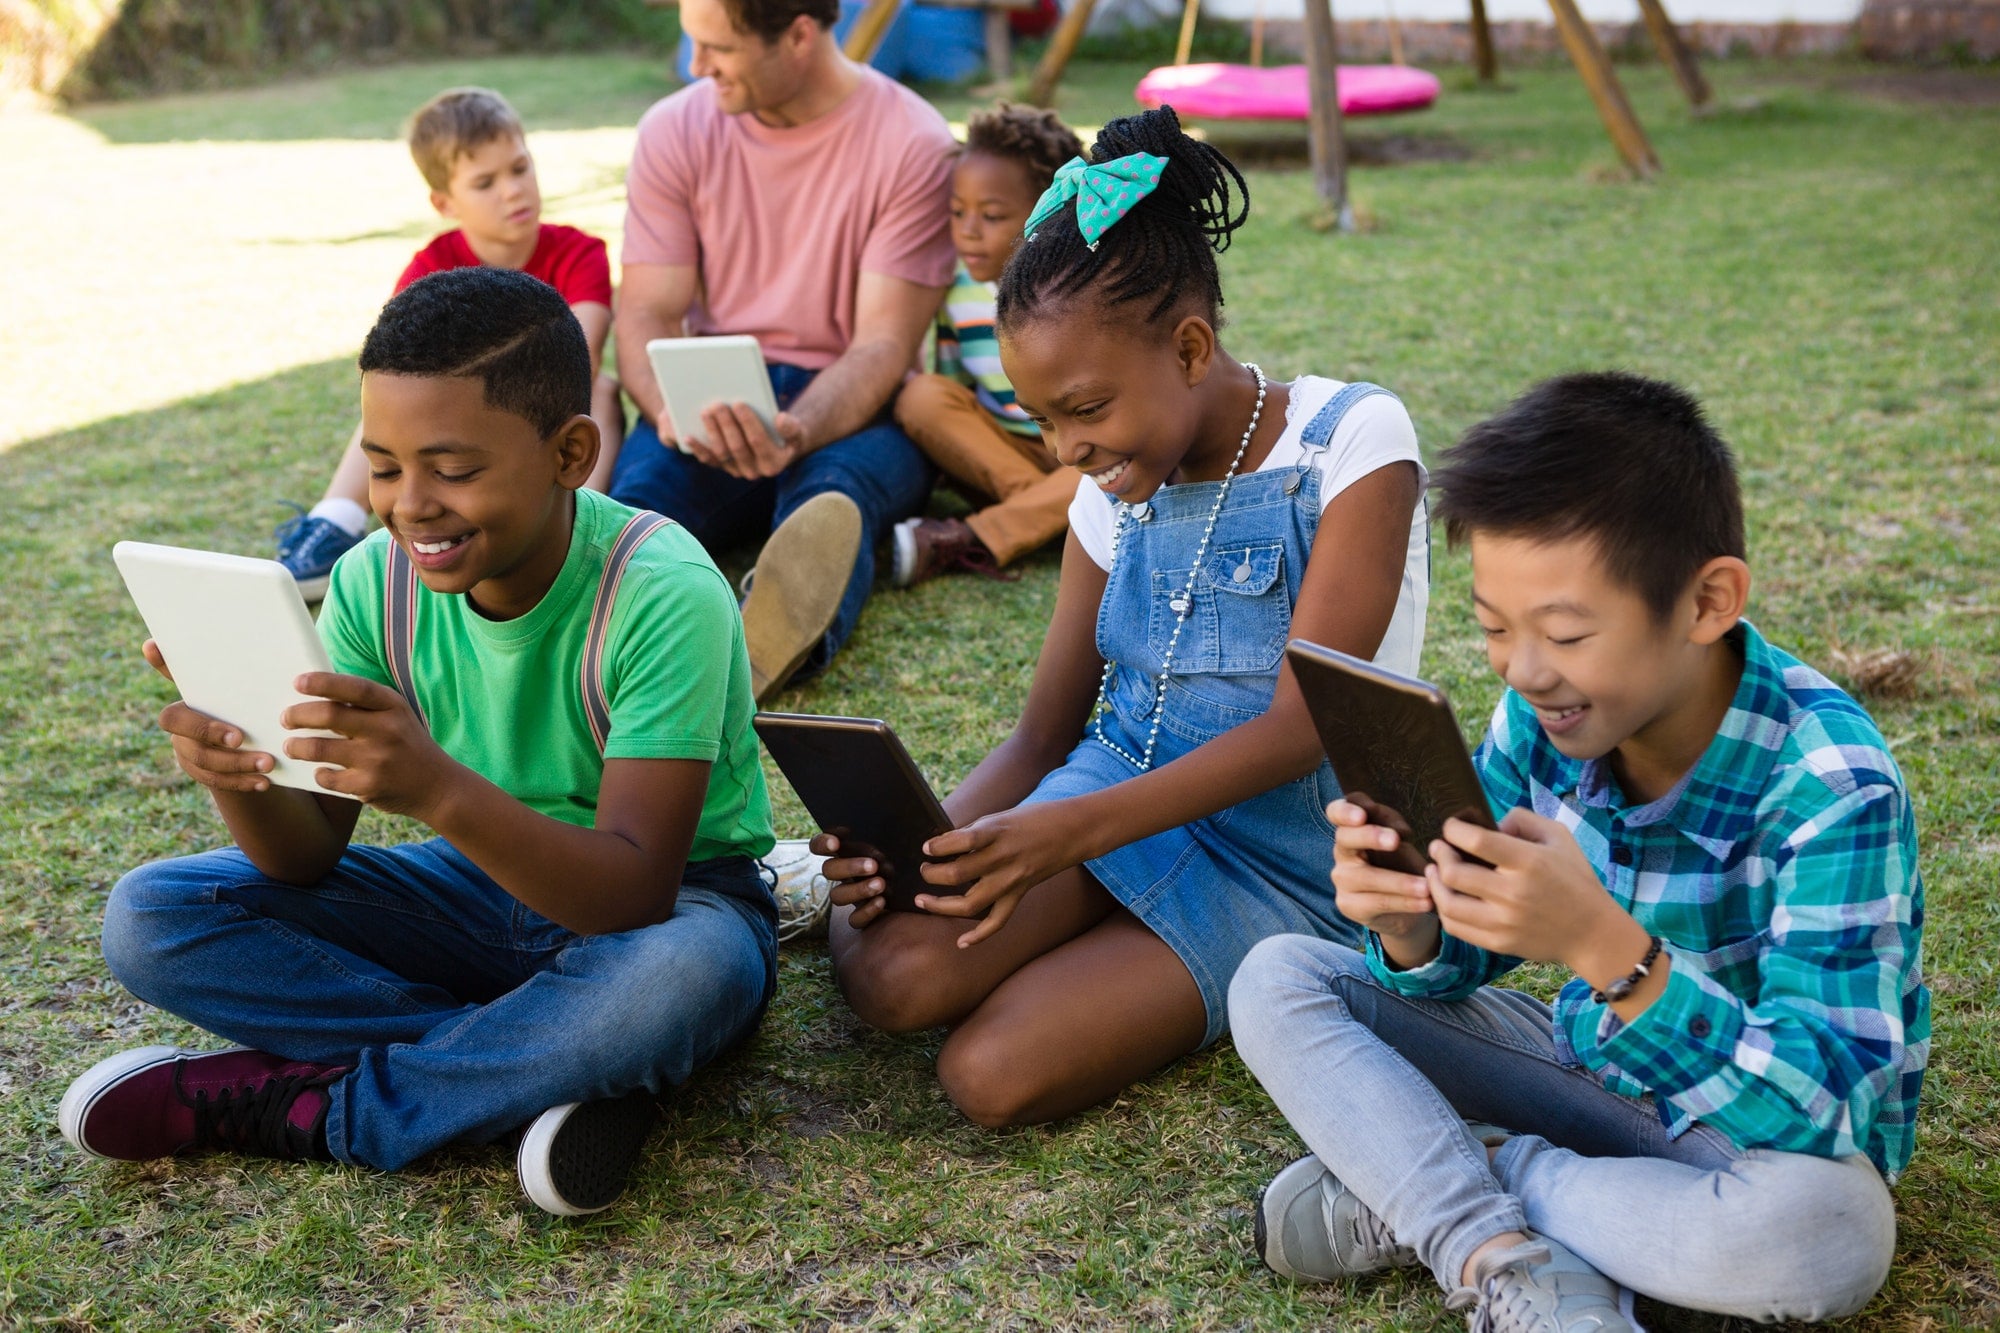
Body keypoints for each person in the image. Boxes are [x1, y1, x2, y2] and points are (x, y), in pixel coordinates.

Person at [59, 268, 778, 1218]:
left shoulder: (660, 588)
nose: (411, 504)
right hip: (479, 894)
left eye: (455, 468)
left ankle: (310, 1108)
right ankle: (543, 1071)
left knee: (675, 983)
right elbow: (306, 855)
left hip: (671, 905)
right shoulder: (370, 584)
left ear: (570, 453)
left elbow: (631, 893)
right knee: (152, 914)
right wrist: (240, 770)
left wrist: (438, 790)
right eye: (384, 466)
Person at [1228, 373, 1929, 1329]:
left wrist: (1610, 951)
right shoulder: (1541, 713)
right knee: (1277, 979)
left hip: (1745, 1143)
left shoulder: (1830, 783)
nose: (1523, 668)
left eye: (1565, 632)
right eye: (1494, 628)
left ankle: (1473, 1175)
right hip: (1583, 1072)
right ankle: (1500, 1255)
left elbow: (1832, 1108)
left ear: (1708, 600)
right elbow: (1458, 965)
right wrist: (1410, 927)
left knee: (1831, 1235)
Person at [818, 108, 1432, 1127]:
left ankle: (1154, 952)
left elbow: (1301, 725)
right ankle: (872, 899)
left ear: (1189, 347)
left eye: (1085, 410)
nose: (1061, 450)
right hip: (1102, 797)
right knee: (890, 976)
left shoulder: (1350, 441)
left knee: (990, 1074)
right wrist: (919, 851)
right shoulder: (1108, 486)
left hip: (1277, 859)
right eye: (1042, 418)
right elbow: (1042, 737)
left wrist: (1058, 836)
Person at [609, 0, 958, 703]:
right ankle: (613, 638)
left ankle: (769, 651)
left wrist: (797, 428)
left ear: (800, 34)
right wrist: (672, 414)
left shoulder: (912, 140)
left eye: (718, 48)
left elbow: (883, 343)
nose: (695, 65)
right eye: (692, 41)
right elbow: (646, 308)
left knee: (830, 504)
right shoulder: (674, 129)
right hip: (709, 398)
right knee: (638, 512)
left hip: (856, 407)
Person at [275, 87, 625, 601]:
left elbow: (581, 353)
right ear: (444, 203)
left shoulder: (579, 252)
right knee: (387, 419)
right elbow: (404, 371)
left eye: (519, 168)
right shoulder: (431, 266)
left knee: (604, 393)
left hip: (536, 408)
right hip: (451, 421)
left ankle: (578, 541)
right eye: (485, 182)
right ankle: (335, 520)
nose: (512, 191)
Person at [889, 104, 1083, 588]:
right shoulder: (955, 292)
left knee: (1104, 471)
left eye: (992, 215)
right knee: (921, 395)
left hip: (1083, 453)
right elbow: (953, 393)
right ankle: (1043, 514)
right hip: (1005, 456)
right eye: (957, 212)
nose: (968, 230)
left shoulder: (1078, 292)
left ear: (1048, 214)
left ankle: (984, 533)